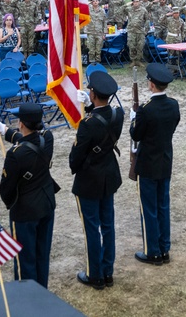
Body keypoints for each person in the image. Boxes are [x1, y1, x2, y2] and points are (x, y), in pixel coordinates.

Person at [0, 103, 58, 288]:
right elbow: (30, 141)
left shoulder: (14, 155)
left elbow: (6, 190)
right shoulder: (47, 138)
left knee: (25, 260)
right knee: (42, 254)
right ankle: (41, 292)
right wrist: (6, 131)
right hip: (46, 203)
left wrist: (11, 203)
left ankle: (27, 300)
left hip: (25, 211)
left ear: (21, 123)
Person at [70, 71, 124, 290]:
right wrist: (91, 107)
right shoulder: (118, 114)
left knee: (92, 227)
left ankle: (95, 275)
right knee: (107, 225)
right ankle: (107, 271)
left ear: (92, 93)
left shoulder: (87, 124)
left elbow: (75, 159)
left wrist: (89, 111)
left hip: (90, 179)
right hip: (108, 174)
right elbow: (103, 119)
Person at [130, 63, 180, 266]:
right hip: (165, 160)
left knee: (149, 208)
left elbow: (136, 135)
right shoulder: (173, 105)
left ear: (151, 85)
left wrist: (134, 119)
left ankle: (153, 251)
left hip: (148, 165)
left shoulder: (146, 110)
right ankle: (164, 248)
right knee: (163, 205)